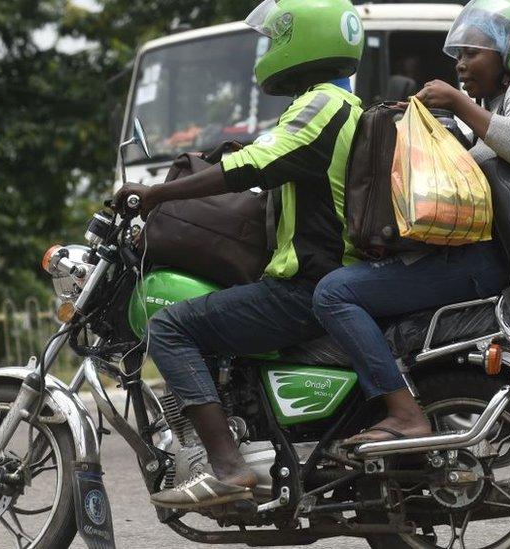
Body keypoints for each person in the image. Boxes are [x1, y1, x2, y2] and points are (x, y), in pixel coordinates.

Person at [113, 0, 365, 510]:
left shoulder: (324, 102)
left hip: (306, 286)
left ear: (305, 41)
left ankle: (227, 468)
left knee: (170, 328)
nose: (268, 50)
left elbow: (261, 161)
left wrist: (159, 194)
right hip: (322, 279)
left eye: (275, 39)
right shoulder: (338, 105)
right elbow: (266, 155)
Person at [312, 0, 510, 446]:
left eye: (474, 53)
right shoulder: (488, 105)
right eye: (459, 54)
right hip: (471, 255)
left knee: (334, 293)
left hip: (484, 260)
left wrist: (457, 102)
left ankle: (403, 413)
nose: (461, 63)